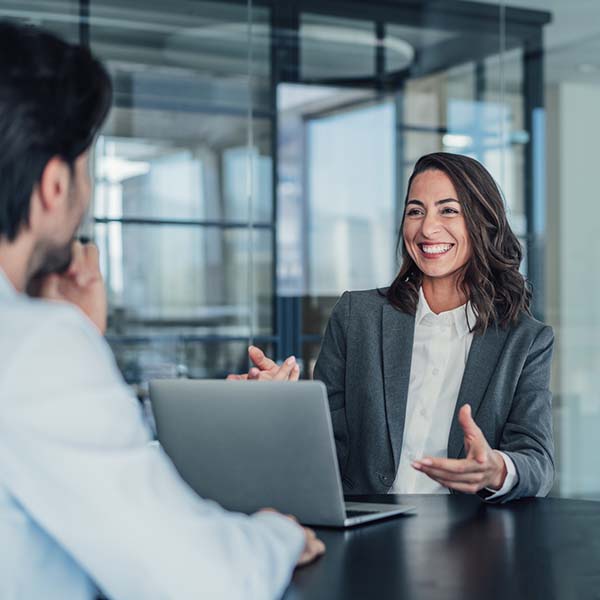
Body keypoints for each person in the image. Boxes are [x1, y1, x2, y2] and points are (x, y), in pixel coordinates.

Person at [0, 21, 323, 600]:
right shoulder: (32, 345)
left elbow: (76, 472)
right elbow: (204, 579)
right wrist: (276, 534)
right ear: (53, 185)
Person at [235, 152, 554, 502]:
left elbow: (537, 461)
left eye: (448, 210)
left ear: (483, 223)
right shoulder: (358, 316)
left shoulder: (525, 341)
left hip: (466, 536)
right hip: (364, 528)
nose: (427, 228)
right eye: (416, 211)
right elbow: (323, 446)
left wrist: (497, 468)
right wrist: (283, 407)